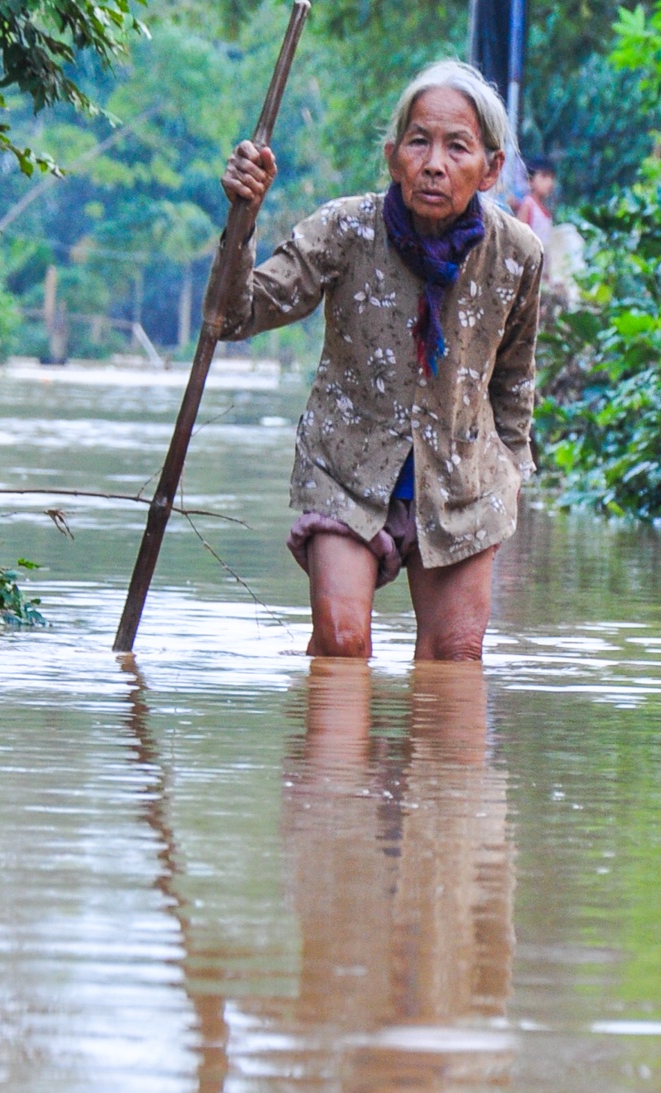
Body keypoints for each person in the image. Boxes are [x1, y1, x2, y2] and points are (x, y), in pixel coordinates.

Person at [214, 61, 543, 662]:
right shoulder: (345, 230)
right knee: (343, 645)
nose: (434, 163)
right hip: (346, 468)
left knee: (454, 658)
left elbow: (515, 377)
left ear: (491, 169)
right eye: (418, 142)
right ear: (393, 157)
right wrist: (244, 218)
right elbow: (235, 315)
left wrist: (514, 472)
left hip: (463, 481)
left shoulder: (516, 254)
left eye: (457, 147)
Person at [513, 155, 556, 247]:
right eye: (544, 176)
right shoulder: (528, 205)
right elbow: (520, 239)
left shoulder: (543, 206)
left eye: (552, 177)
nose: (549, 182)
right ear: (530, 181)